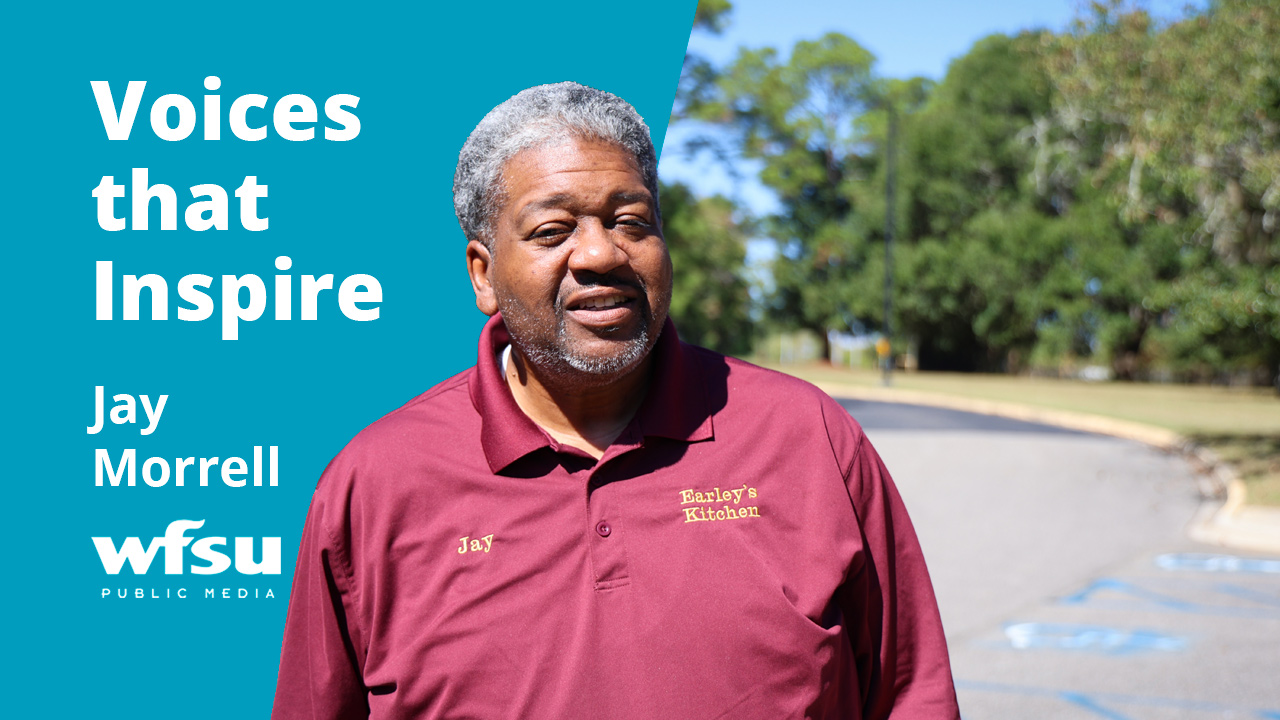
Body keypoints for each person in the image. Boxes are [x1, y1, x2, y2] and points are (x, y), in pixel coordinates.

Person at [272, 82, 959, 720]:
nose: (601, 253)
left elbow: (913, 694)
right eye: (553, 230)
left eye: (631, 221)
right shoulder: (377, 484)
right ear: (483, 273)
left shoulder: (808, 440)